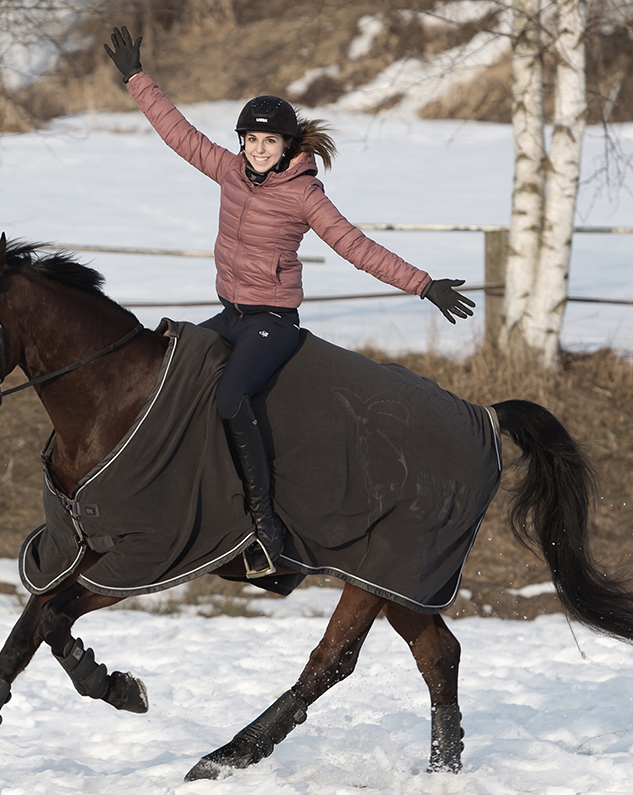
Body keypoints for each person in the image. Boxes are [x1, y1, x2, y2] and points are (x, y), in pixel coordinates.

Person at [104, 26, 475, 579]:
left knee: (230, 399)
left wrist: (423, 284)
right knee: (167, 364)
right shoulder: (230, 170)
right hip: (230, 312)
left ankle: (263, 525)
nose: (257, 150)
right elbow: (178, 134)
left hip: (271, 321)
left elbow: (355, 246)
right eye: (250, 140)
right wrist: (137, 79)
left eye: (269, 142)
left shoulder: (304, 194)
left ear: (287, 146)